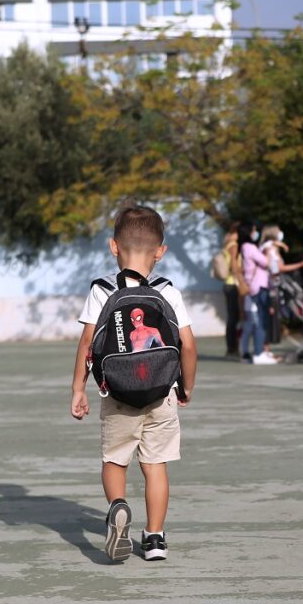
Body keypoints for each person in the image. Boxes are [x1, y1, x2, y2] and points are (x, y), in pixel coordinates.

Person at [70, 205, 197, 562]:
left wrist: (78, 389)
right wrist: (186, 386)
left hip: (118, 392)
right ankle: (155, 538)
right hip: (161, 393)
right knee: (156, 465)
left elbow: (87, 344)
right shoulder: (167, 290)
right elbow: (188, 345)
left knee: (115, 460)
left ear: (114, 246)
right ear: (161, 251)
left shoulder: (102, 290)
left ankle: (118, 506)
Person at [238, 223, 277, 365]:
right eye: (253, 230)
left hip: (254, 286)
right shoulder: (250, 247)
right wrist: (269, 250)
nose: (256, 233)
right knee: (261, 320)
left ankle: (258, 351)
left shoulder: (244, 247)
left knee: (257, 320)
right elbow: (266, 262)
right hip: (259, 286)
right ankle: (259, 353)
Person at [219, 223, 242, 358]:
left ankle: (231, 347)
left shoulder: (226, 244)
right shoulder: (233, 245)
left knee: (232, 318)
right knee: (234, 318)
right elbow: (234, 265)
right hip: (233, 284)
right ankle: (232, 348)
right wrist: (242, 273)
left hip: (227, 284)